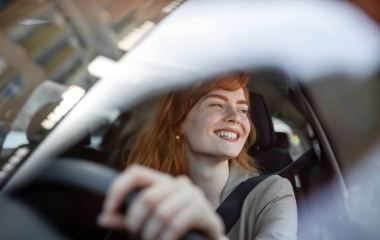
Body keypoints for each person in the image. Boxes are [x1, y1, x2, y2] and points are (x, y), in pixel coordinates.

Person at [97, 73, 297, 240]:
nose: (235, 117)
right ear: (179, 123)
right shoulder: (149, 197)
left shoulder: (273, 192)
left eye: (242, 109)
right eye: (216, 104)